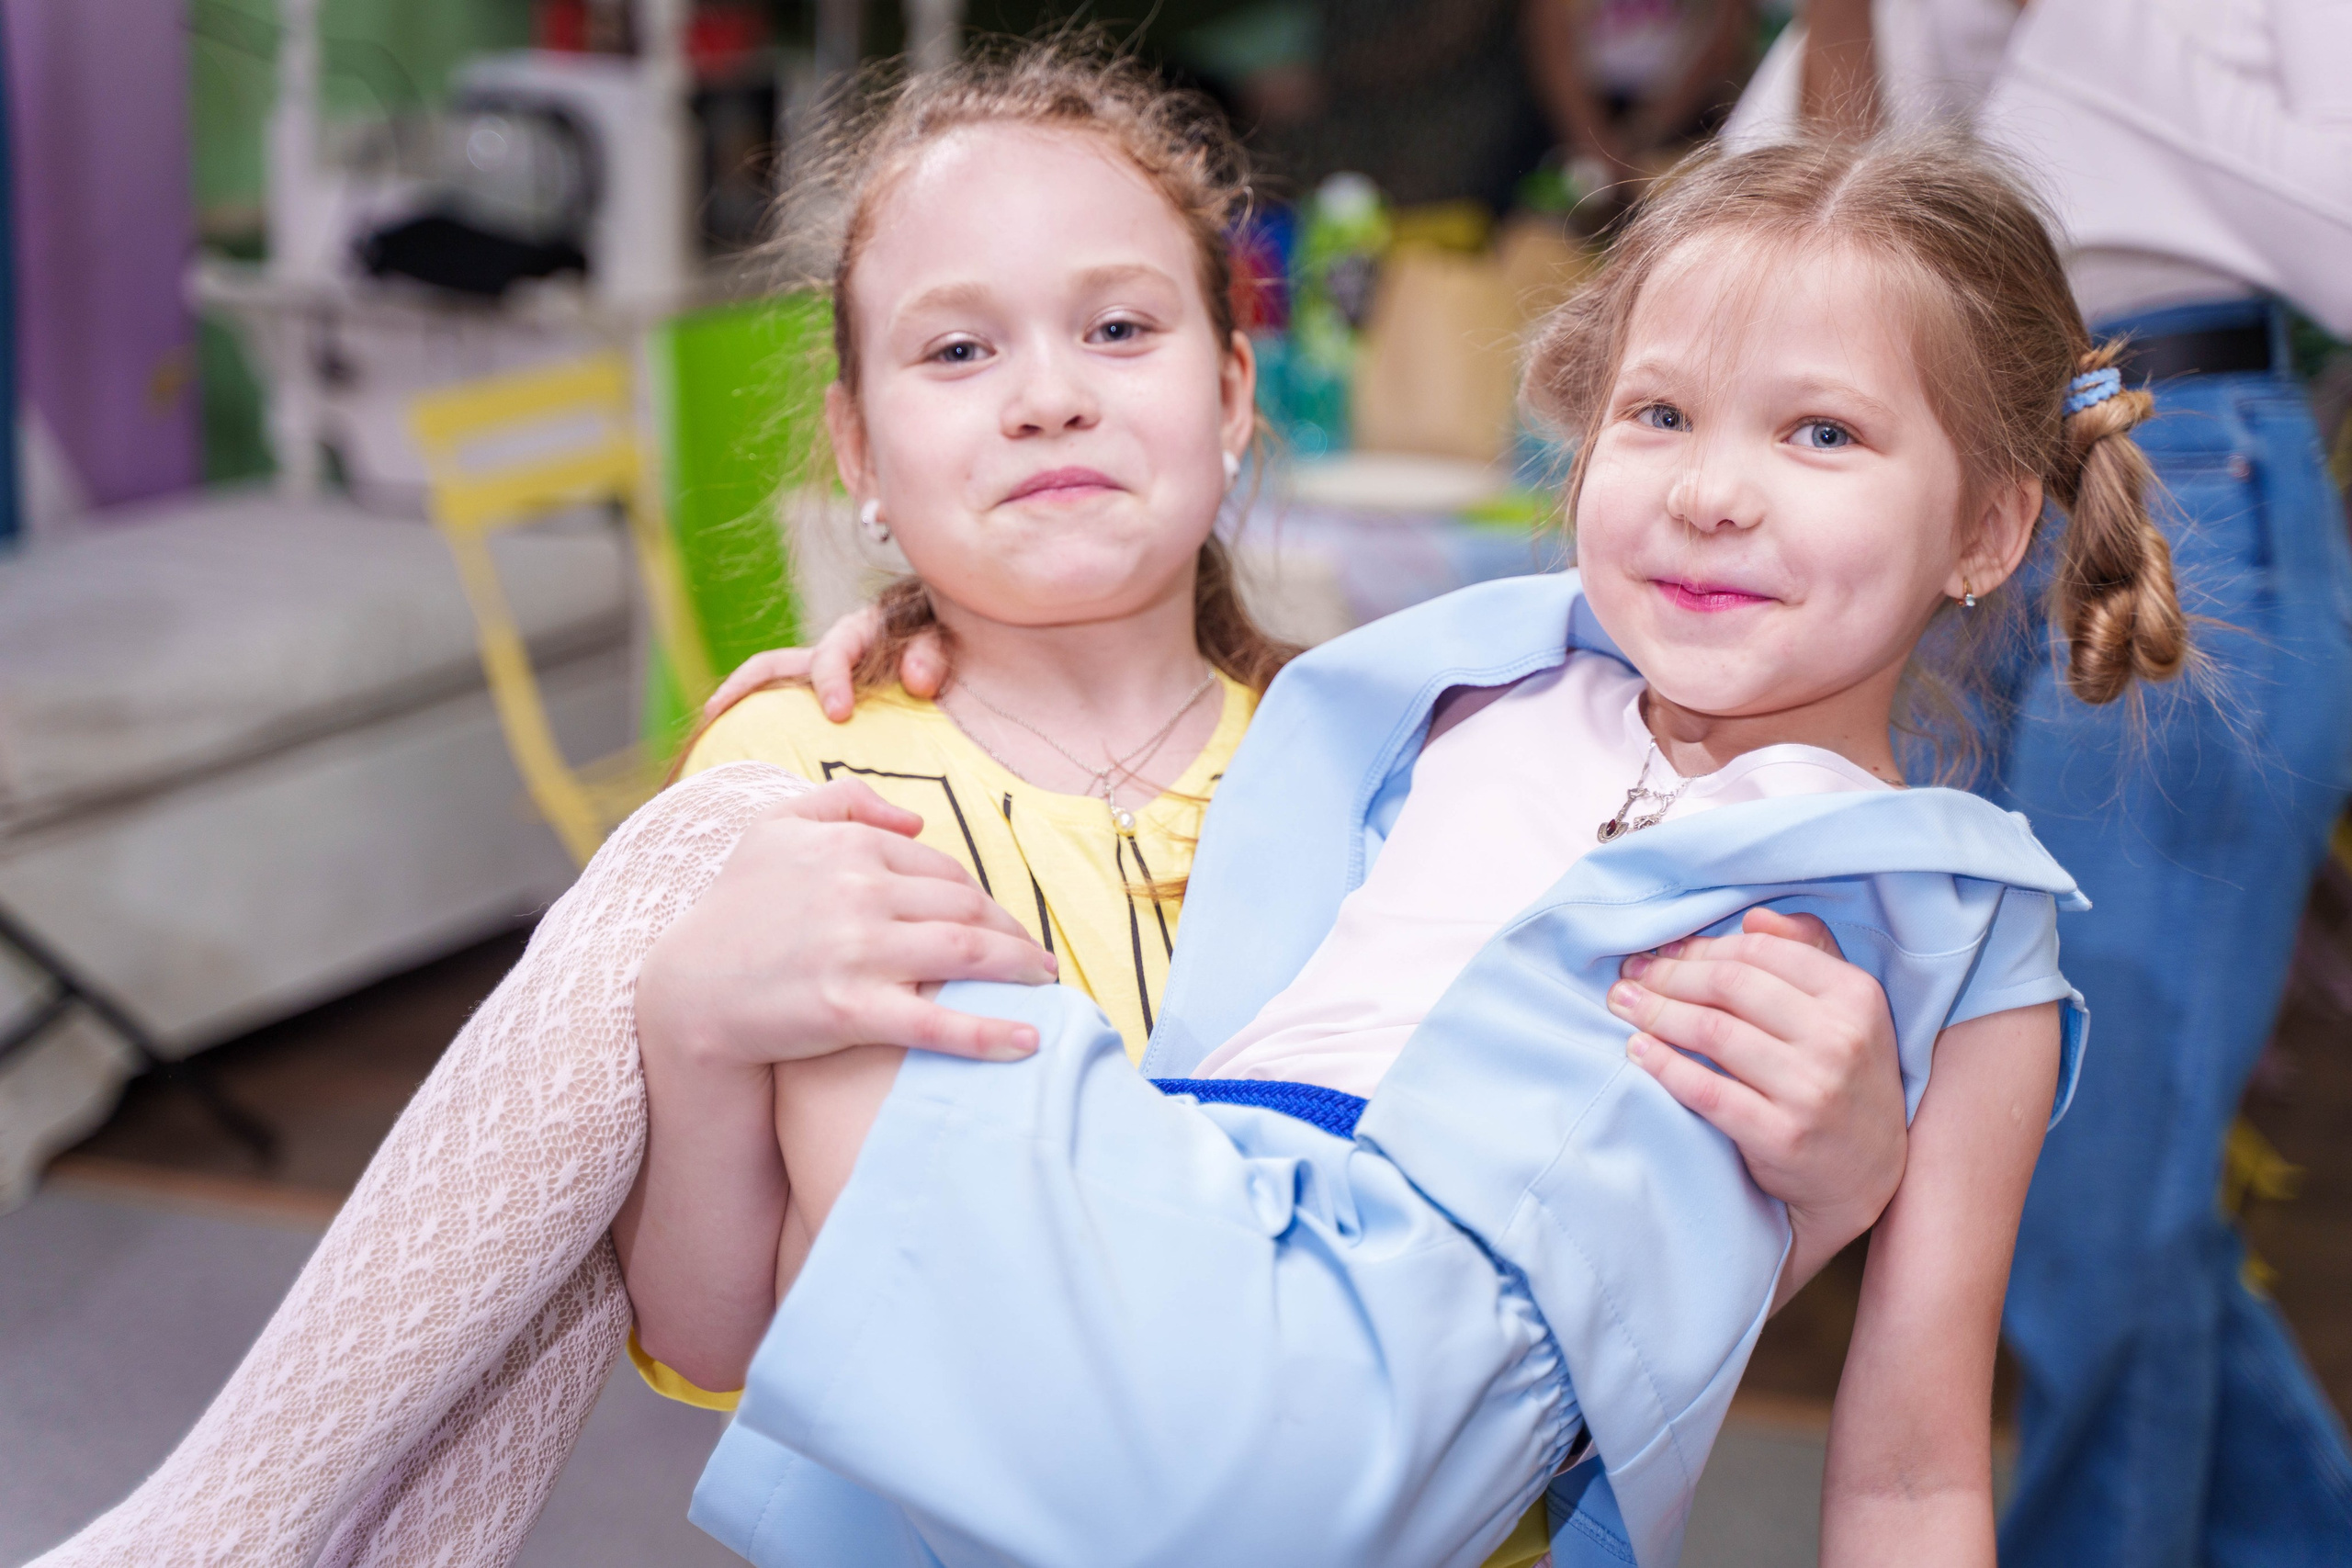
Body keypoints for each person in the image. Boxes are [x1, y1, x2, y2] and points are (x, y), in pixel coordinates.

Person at [28, 46, 1913, 1568]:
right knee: (715, 857)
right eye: (955, 350)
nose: (1044, 400)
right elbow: (722, 1341)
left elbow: (1561, 1229)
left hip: (1367, 1490)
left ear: (1236, 387)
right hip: (965, 1511)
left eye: (1117, 331)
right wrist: (691, 1027)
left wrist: (1828, 1180)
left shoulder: (1411, 764)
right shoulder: (808, 772)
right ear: (856, 445)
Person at [641, 123, 2188, 1568]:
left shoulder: (1968, 921)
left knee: (875, 963)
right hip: (1191, 1212)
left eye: (1824, 432)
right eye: (1658, 415)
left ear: (1988, 530)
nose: (1713, 491)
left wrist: (1844, 1180)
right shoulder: (1464, 694)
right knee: (863, 923)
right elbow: (1178, 707)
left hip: (1410, 1357)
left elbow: (1916, 1466)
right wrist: (931, 623)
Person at [1734, 5, 2352, 1561]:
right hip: (1960, 495)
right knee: (2069, 1183)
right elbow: (1788, 215)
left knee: (2085, 1206)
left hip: (2187, 476)